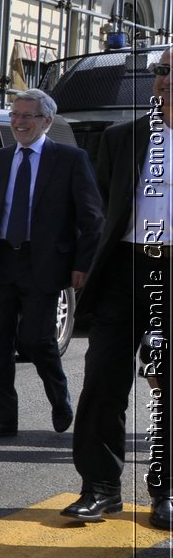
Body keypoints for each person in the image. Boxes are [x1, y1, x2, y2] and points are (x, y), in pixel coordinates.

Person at [68, 47, 173, 529]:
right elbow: (101, 216)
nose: (165, 79)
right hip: (125, 271)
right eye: (162, 70)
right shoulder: (122, 138)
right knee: (102, 381)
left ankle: (165, 492)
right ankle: (101, 488)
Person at [0, 89, 104, 439]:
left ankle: (59, 398)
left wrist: (82, 264)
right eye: (15, 115)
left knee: (36, 339)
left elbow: (93, 218)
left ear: (46, 121)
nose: (18, 122)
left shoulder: (70, 159)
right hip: (1, 259)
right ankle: (3, 417)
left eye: (27, 116)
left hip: (43, 262)